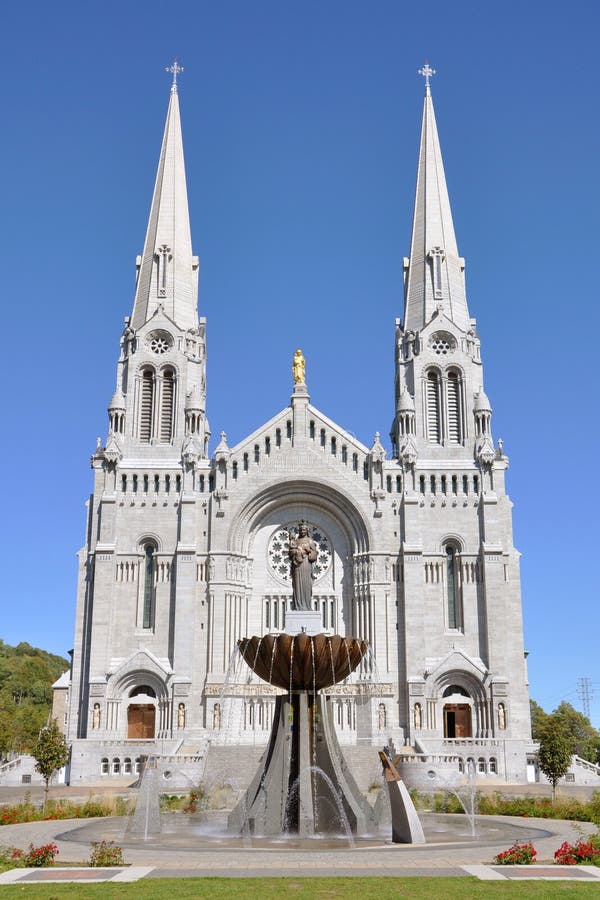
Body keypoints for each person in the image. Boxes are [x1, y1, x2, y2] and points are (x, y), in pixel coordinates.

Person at [288, 523, 317, 610]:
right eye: (300, 530)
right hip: (297, 566)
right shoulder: (296, 541)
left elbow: (314, 555)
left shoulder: (310, 541)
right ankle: (298, 606)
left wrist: (309, 551)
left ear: (307, 531)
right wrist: (294, 552)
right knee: (297, 585)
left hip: (306, 564)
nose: (302, 531)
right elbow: (290, 553)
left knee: (306, 585)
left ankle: (307, 606)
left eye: (304, 530)